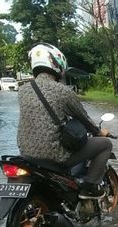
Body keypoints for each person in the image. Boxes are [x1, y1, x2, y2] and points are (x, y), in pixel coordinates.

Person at [17, 43, 113, 199]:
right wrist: (99, 132)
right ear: (57, 64)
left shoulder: (23, 90)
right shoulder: (63, 91)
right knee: (105, 145)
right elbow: (84, 119)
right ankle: (89, 188)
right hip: (54, 155)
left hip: (25, 154)